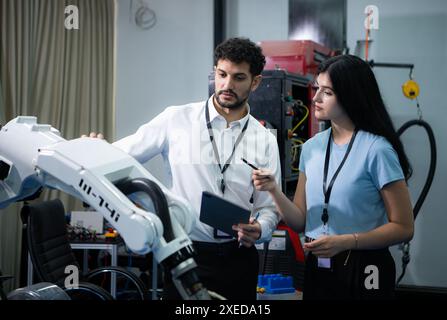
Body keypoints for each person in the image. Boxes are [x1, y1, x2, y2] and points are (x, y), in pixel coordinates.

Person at [111, 38, 281, 300]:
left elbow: (269, 207)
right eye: (221, 74)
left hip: (239, 259)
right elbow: (121, 154)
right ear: (214, 72)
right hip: (185, 255)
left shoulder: (265, 139)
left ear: (255, 82)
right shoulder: (175, 120)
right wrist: (96, 149)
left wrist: (260, 229)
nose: (226, 85)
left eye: (238, 78)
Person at [252, 54, 414, 300]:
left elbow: (404, 227)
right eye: (317, 88)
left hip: (366, 267)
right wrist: (274, 189)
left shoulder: (377, 150)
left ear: (351, 95)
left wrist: (348, 241)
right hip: (320, 264)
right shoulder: (311, 148)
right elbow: (299, 222)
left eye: (326, 92)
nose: (315, 98)